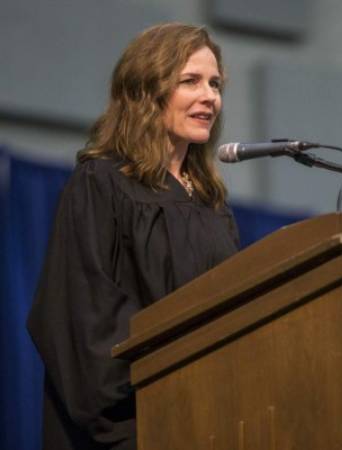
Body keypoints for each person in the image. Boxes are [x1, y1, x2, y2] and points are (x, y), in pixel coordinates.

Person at [26, 23, 240, 450]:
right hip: (134, 428)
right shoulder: (102, 184)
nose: (210, 96)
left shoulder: (212, 205)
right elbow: (84, 321)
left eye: (215, 84)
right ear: (148, 90)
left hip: (210, 423)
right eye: (190, 82)